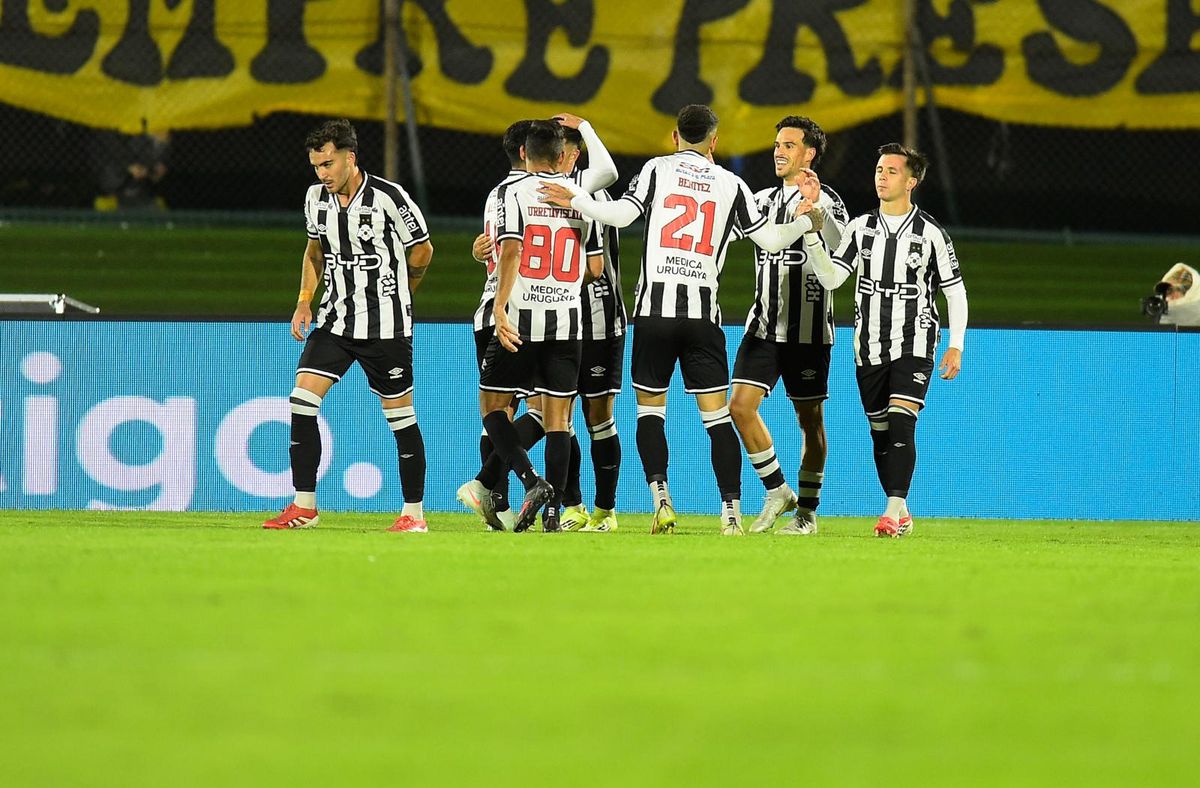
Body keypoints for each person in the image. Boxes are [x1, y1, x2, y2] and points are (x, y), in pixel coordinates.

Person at [539, 104, 819, 536]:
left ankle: (662, 502)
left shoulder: (657, 170)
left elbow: (623, 214)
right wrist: (804, 221)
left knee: (651, 413)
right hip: (702, 318)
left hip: (654, 313)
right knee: (717, 419)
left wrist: (576, 199)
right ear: (714, 141)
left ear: (674, 137)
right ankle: (731, 516)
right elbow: (772, 239)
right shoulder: (732, 184)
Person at [263, 119, 434, 532]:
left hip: (386, 328)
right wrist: (304, 302)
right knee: (301, 401)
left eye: (328, 164)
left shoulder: (390, 199)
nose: (322, 174)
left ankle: (413, 515)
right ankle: (305, 506)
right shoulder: (315, 200)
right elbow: (314, 253)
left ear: (350, 158)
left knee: (401, 419)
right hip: (335, 321)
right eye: (316, 166)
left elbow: (423, 251)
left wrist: (403, 291)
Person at [803, 143, 968, 537]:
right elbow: (831, 278)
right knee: (881, 434)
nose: (882, 176)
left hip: (915, 341)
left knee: (900, 421)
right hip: (869, 346)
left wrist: (956, 343)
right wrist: (812, 236)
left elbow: (955, 291)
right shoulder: (860, 229)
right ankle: (903, 509)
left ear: (911, 182)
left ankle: (891, 513)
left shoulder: (930, 234)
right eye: (879, 169)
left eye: (892, 171)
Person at [466, 115, 618, 531]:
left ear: (522, 153)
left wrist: (499, 307)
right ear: (561, 156)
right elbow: (593, 266)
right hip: (569, 322)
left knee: (495, 408)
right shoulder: (579, 195)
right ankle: (552, 514)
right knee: (557, 418)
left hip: (519, 316)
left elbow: (512, 251)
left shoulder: (506, 193)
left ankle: (512, 487)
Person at [729, 116, 848, 536]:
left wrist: (816, 210)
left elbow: (839, 248)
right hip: (762, 328)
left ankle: (808, 514)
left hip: (810, 335)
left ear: (809, 153)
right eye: (777, 143)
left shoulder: (830, 200)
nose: (778, 151)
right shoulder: (760, 200)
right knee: (740, 406)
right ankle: (777, 488)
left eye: (789, 145)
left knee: (810, 422)